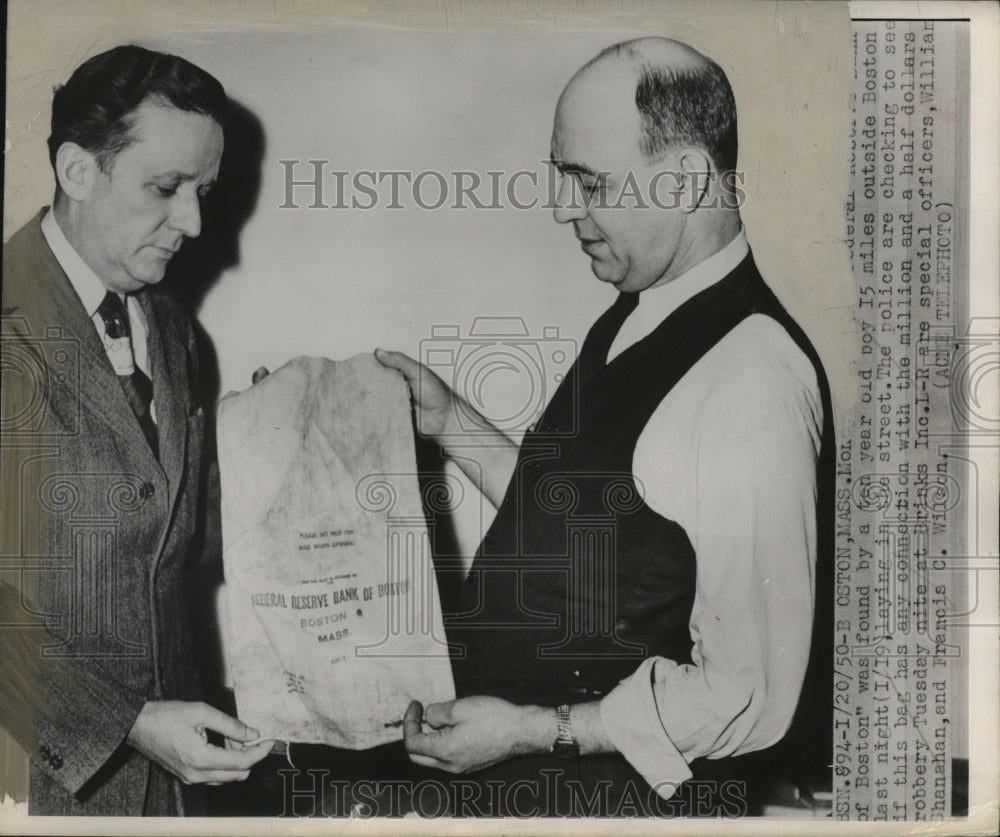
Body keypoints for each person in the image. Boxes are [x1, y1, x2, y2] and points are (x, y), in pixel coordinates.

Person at [376, 36, 833, 816]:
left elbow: (749, 694)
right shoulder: (641, 309)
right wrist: (450, 419)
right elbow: (596, 522)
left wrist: (534, 730)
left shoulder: (753, 379)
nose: (562, 209)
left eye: (586, 181)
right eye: (561, 177)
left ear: (687, 179)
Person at [0, 44, 272, 816]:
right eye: (165, 188)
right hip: (30, 790)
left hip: (172, 794)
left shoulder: (176, 333)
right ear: (78, 171)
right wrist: (129, 725)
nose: (191, 221)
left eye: (204, 192)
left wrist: (277, 442)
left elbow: (186, 540)